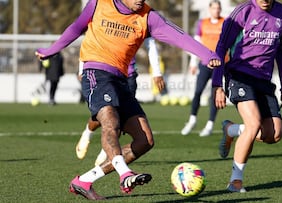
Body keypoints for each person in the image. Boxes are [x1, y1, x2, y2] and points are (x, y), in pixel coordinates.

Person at [35, 0, 221, 200]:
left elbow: (179, 36)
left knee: (145, 141)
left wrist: (206, 54)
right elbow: (76, 28)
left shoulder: (148, 16)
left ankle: (84, 181)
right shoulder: (98, 4)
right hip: (96, 72)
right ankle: (125, 174)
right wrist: (51, 50)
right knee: (110, 121)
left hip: (121, 80)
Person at [212, 0, 282, 193]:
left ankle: (231, 130)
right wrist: (217, 84)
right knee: (254, 124)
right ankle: (235, 181)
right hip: (239, 75)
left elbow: (281, 50)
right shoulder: (242, 12)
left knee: (274, 134)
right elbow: (221, 47)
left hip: (263, 80)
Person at [76, 37, 165, 166]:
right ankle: (88, 133)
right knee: (105, 113)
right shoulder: (105, 18)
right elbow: (89, 42)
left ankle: (105, 152)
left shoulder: (140, 19)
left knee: (120, 118)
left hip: (128, 75)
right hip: (105, 73)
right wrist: (81, 68)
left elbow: (150, 43)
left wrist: (156, 72)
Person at [181, 0, 225, 137]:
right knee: (198, 92)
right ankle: (192, 120)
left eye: (218, 8)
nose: (216, 10)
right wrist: (193, 63)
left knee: (215, 95)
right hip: (205, 63)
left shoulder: (225, 22)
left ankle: (210, 124)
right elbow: (196, 44)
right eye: (214, 8)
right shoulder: (202, 23)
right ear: (209, 9)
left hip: (219, 65)